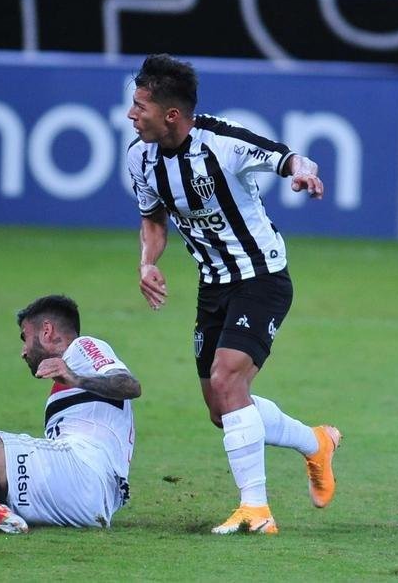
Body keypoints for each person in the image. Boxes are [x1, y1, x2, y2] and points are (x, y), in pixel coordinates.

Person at [125, 53, 341, 535]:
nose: (131, 115)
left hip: (261, 277)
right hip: (213, 286)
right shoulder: (140, 157)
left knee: (227, 382)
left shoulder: (222, 143)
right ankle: (316, 442)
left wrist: (303, 172)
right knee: (222, 410)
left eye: (140, 106)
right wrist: (147, 262)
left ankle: (255, 511)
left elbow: (285, 157)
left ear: (172, 114)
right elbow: (154, 219)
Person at [0, 294, 141, 532]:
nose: (24, 351)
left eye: (25, 337)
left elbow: (130, 385)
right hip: (85, 496)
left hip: (83, 472)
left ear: (46, 330)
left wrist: (74, 377)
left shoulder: (82, 347)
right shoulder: (65, 385)